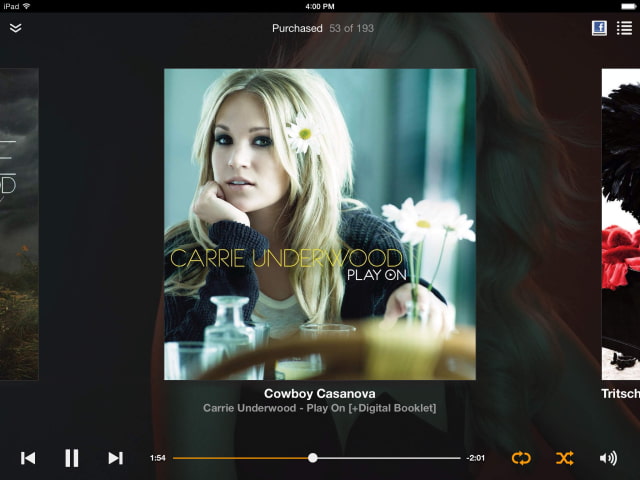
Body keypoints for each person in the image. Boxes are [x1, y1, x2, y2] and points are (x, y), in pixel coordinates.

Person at [164, 68, 447, 343]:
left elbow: (406, 319)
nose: (236, 160)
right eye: (223, 139)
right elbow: (177, 364)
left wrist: (419, 296)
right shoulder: (181, 252)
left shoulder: (365, 244)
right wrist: (233, 242)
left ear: (307, 152)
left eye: (262, 140)